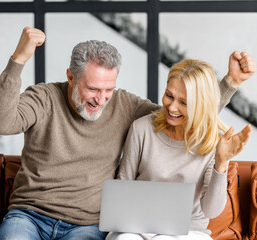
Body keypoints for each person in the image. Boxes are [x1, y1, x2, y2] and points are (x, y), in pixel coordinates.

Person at [0, 26, 255, 240]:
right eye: (92, 89)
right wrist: (18, 61)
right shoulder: (43, 98)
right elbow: (0, 123)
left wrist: (229, 83)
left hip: (86, 225)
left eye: (108, 90)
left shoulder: (124, 105)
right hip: (30, 215)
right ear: (71, 77)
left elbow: (184, 113)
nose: (101, 100)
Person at [106, 59, 253, 240]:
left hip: (189, 232)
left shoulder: (212, 142)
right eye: (169, 95)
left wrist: (221, 163)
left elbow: (211, 210)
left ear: (200, 105)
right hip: (137, 227)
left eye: (184, 102)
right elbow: (123, 186)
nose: (172, 107)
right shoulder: (141, 129)